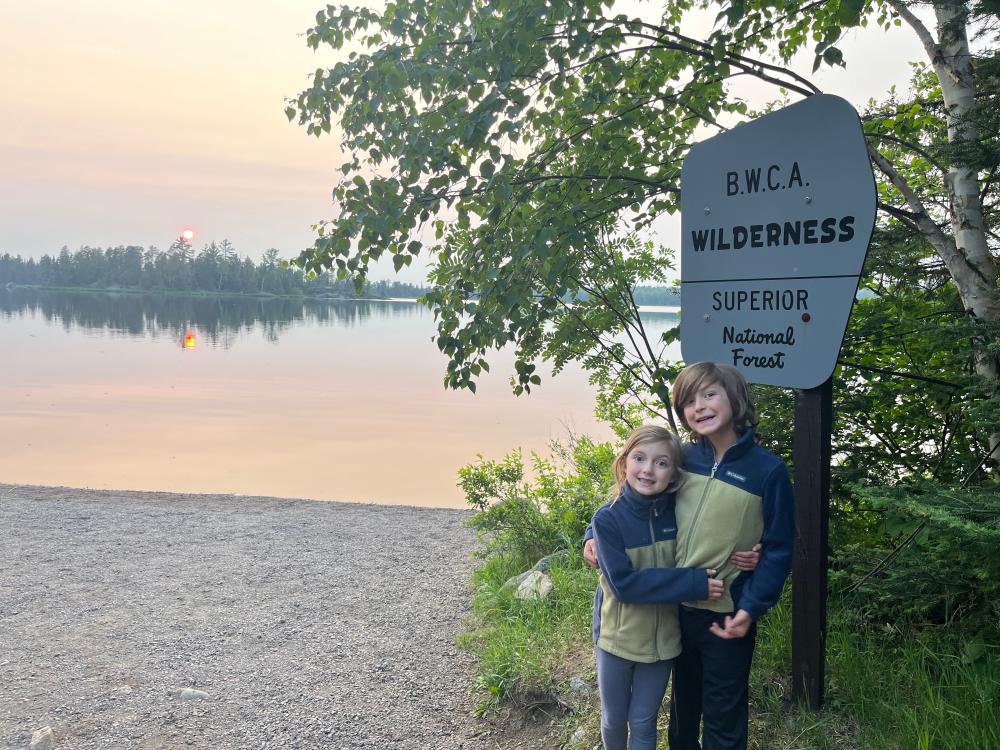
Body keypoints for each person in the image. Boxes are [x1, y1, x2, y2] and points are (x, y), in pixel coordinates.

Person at [585, 362, 793, 750]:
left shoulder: (768, 471)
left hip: (727, 613)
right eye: (688, 401)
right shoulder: (680, 459)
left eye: (709, 394)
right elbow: (631, 499)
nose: (699, 407)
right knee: (683, 710)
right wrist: (590, 535)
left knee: (723, 713)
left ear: (735, 397)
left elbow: (780, 546)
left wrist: (751, 606)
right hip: (675, 609)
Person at [591, 424, 724, 750]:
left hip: (663, 643)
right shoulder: (607, 519)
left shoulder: (677, 514)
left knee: (643, 721)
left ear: (674, 474)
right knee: (614, 719)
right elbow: (624, 585)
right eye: (639, 458)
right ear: (624, 463)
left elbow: (715, 533)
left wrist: (751, 550)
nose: (648, 470)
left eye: (661, 462)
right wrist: (692, 583)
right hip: (615, 642)